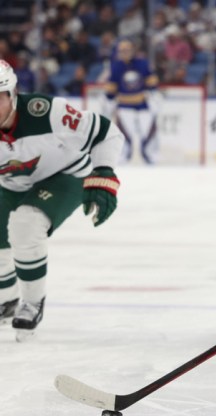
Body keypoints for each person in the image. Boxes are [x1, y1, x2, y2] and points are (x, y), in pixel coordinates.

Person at [0, 60, 124, 341]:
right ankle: (6, 301)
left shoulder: (46, 112)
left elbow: (107, 132)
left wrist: (103, 172)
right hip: (12, 184)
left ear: (13, 94)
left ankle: (31, 302)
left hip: (64, 175)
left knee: (26, 224)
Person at [105, 39, 161, 164]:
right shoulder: (115, 66)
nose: (124, 52)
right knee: (123, 135)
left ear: (133, 50)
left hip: (143, 105)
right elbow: (111, 90)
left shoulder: (143, 63)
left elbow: (152, 84)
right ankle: (122, 160)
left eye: (127, 49)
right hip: (124, 106)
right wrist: (109, 101)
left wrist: (155, 99)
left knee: (149, 133)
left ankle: (152, 159)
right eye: (121, 50)